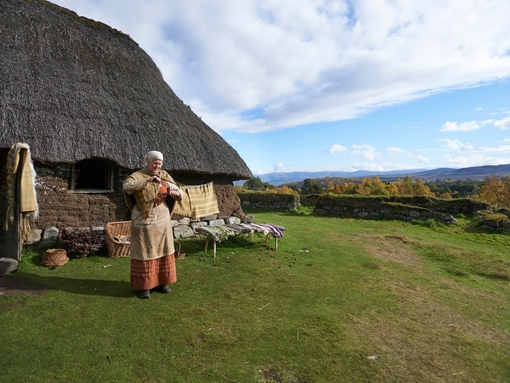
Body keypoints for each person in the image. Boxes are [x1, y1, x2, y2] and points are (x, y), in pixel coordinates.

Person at [123, 151, 182, 299]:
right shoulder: (139, 175)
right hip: (144, 217)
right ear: (148, 162)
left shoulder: (164, 175)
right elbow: (126, 186)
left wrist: (176, 194)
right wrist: (147, 180)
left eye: (159, 163)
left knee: (163, 247)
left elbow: (177, 189)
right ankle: (145, 287)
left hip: (162, 216)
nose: (157, 166)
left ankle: (162, 283)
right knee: (145, 248)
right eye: (154, 163)